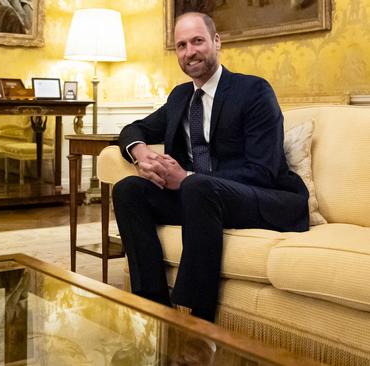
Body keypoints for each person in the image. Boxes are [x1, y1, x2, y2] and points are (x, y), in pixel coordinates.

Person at [112, 12, 309, 322]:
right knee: (128, 189)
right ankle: (151, 307)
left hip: (262, 197)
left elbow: (264, 170)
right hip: (201, 200)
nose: (190, 52)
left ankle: (193, 320)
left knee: (196, 185)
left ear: (217, 42)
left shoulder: (254, 91)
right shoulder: (180, 97)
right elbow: (133, 128)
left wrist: (186, 177)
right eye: (181, 45)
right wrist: (139, 152)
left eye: (198, 41)